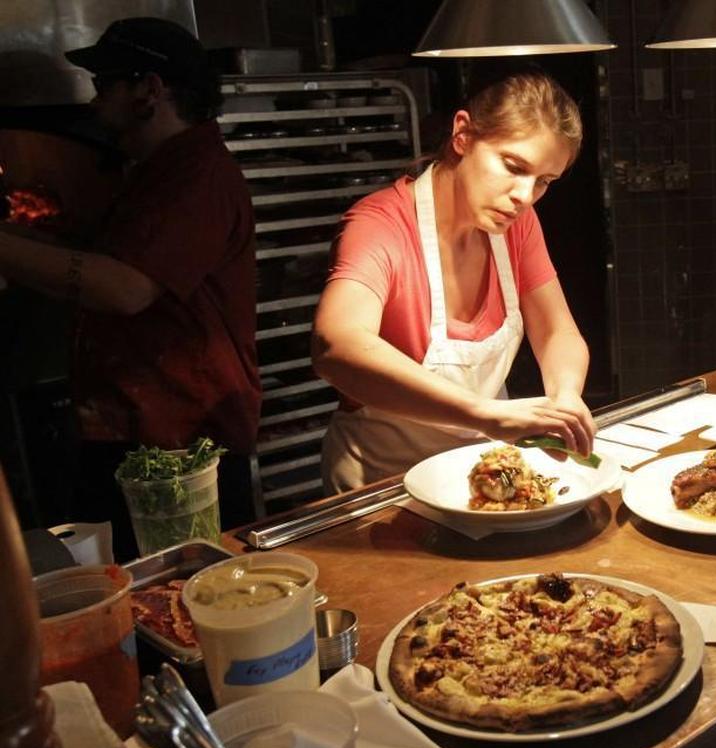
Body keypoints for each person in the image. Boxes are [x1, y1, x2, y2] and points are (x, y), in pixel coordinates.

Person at [0, 18, 260, 561]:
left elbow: (125, 287)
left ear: (149, 90)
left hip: (182, 443)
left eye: (105, 85)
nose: (95, 103)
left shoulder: (198, 175)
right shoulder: (152, 171)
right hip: (135, 426)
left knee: (191, 591)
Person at [313, 70, 596, 492]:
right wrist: (485, 413)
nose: (524, 196)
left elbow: (557, 331)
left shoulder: (516, 224)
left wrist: (566, 397)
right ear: (462, 135)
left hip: (483, 476)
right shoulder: (381, 225)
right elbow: (336, 344)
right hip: (382, 484)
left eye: (543, 181)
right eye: (513, 166)